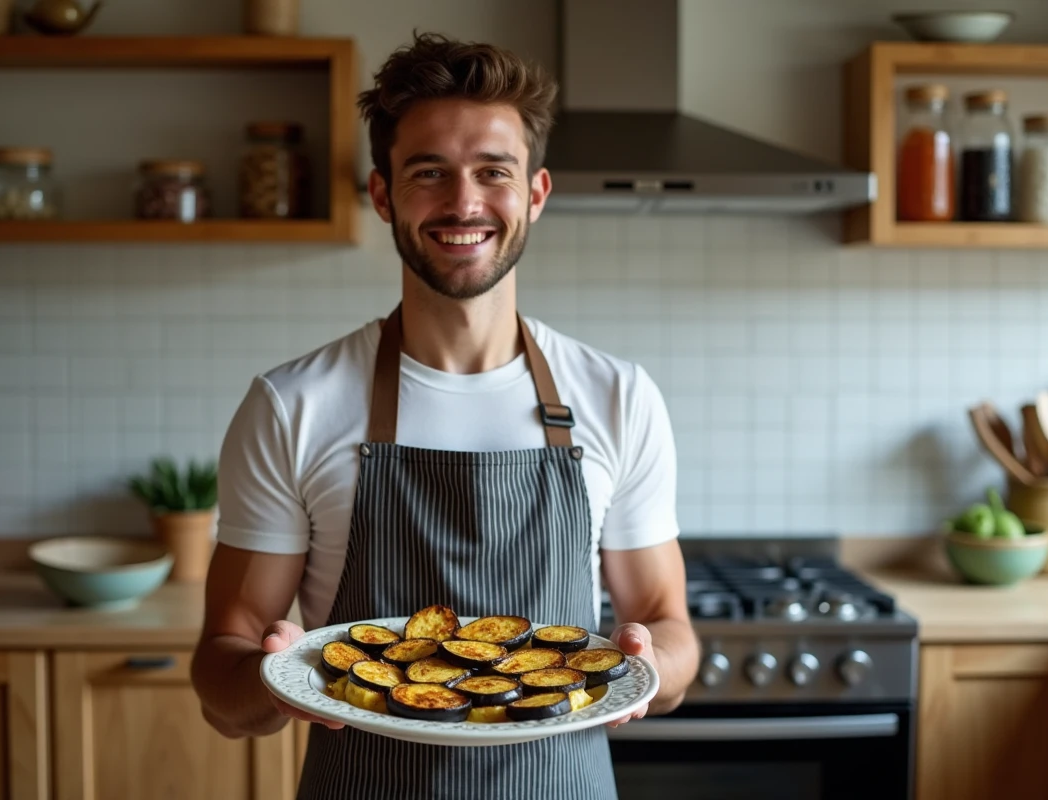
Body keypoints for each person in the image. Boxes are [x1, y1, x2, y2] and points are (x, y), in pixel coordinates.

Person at [191, 31, 700, 800]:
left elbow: (669, 627)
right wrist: (274, 677)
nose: (464, 203)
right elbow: (221, 680)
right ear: (383, 193)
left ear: (535, 193)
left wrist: (652, 662)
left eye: (493, 172)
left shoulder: (617, 397)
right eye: (429, 173)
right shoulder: (292, 405)